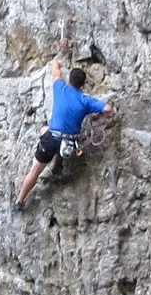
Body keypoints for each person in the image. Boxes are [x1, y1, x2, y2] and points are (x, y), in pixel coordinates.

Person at [15, 58, 112, 208]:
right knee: (59, 142)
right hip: (69, 145)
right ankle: (58, 162)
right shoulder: (85, 100)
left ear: (70, 80)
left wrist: (55, 63)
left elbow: (55, 72)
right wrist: (96, 116)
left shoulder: (60, 88)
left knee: (35, 166)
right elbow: (107, 108)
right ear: (83, 85)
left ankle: (20, 201)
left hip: (52, 139)